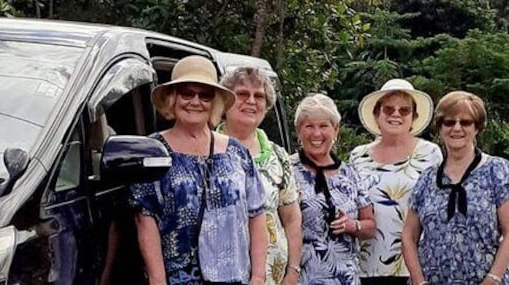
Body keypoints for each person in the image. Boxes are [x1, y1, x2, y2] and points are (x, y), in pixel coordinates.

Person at [129, 55, 268, 285]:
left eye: (204, 95)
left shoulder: (236, 152)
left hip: (234, 279)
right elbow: (145, 219)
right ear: (173, 98)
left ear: (214, 102)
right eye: (187, 93)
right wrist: (157, 281)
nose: (195, 101)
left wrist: (258, 277)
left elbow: (257, 214)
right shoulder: (153, 151)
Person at [402, 91, 509, 285]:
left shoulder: (498, 171)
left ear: (477, 127)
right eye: (449, 122)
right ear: (440, 128)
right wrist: (419, 281)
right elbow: (409, 236)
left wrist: (492, 279)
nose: (457, 128)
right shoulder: (426, 179)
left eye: (465, 122)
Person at [349, 79, 442, 285]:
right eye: (388, 109)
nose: (396, 114)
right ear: (377, 114)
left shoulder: (430, 154)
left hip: (416, 268)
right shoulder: (358, 156)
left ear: (414, 117)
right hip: (367, 265)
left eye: (404, 110)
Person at [218, 67, 303, 285]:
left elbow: (292, 219)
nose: (251, 101)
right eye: (242, 94)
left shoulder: (278, 156)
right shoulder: (206, 149)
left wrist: (293, 271)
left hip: (271, 277)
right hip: (219, 274)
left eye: (259, 96)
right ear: (225, 100)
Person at [291, 93, 376, 284]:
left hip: (345, 277)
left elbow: (370, 225)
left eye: (323, 126)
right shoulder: (286, 171)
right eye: (309, 126)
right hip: (302, 278)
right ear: (298, 131)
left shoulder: (349, 174)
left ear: (335, 130)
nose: (316, 134)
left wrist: (353, 226)